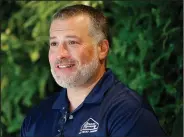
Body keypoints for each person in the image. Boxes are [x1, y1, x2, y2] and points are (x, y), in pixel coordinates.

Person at [20, 4, 166, 137]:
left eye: (72, 42)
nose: (60, 53)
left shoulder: (129, 113)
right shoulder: (37, 116)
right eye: (54, 43)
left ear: (102, 49)